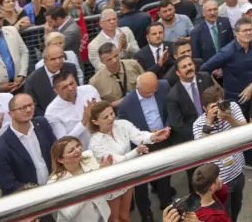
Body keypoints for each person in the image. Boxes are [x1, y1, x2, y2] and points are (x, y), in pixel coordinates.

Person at [87, 100, 170, 222]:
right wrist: (136, 151)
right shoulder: (95, 143)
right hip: (110, 181)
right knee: (114, 220)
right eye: (105, 117)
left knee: (125, 217)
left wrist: (153, 136)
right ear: (95, 121)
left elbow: (138, 135)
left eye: (111, 113)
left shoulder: (122, 124)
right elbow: (115, 161)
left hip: (126, 176)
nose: (111, 118)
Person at [118, 72, 174, 222]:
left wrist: (167, 127)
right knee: (141, 183)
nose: (153, 93)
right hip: (142, 146)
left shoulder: (163, 86)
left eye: (155, 89)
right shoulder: (126, 104)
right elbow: (126, 130)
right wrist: (149, 134)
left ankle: (166, 202)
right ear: (138, 88)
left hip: (164, 139)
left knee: (165, 173)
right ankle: (146, 213)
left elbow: (171, 108)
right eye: (149, 91)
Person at [191, 86, 247, 219]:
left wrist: (229, 118)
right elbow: (201, 151)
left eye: (221, 104)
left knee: (237, 207)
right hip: (219, 182)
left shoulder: (231, 107)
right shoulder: (198, 124)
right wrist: (208, 124)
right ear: (205, 108)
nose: (219, 109)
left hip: (237, 172)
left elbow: (247, 131)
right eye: (214, 106)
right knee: (224, 214)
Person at [0, 93, 56, 195]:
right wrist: (36, 191)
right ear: (11, 114)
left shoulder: (42, 124)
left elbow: (56, 151)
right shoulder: (0, 149)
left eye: (31, 105)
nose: (29, 110)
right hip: (29, 199)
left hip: (55, 187)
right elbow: (8, 184)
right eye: (23, 108)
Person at [201, 18, 252, 106]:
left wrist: (251, 88)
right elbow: (203, 69)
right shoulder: (227, 52)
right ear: (236, 33)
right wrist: (218, 87)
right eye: (244, 31)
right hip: (235, 99)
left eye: (250, 30)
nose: (248, 33)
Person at [46, 136, 113, 222]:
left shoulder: (89, 159)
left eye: (78, 146)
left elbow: (108, 195)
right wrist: (94, 180)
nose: (78, 150)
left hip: (103, 217)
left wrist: (107, 175)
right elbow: (68, 214)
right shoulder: (54, 182)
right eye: (71, 150)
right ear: (60, 159)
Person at [45, 71, 102, 146]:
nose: (70, 88)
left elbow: (104, 113)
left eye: (72, 83)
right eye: (65, 87)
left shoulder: (89, 90)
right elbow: (65, 142)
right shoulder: (51, 112)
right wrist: (84, 121)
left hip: (103, 142)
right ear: (56, 91)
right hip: (80, 152)